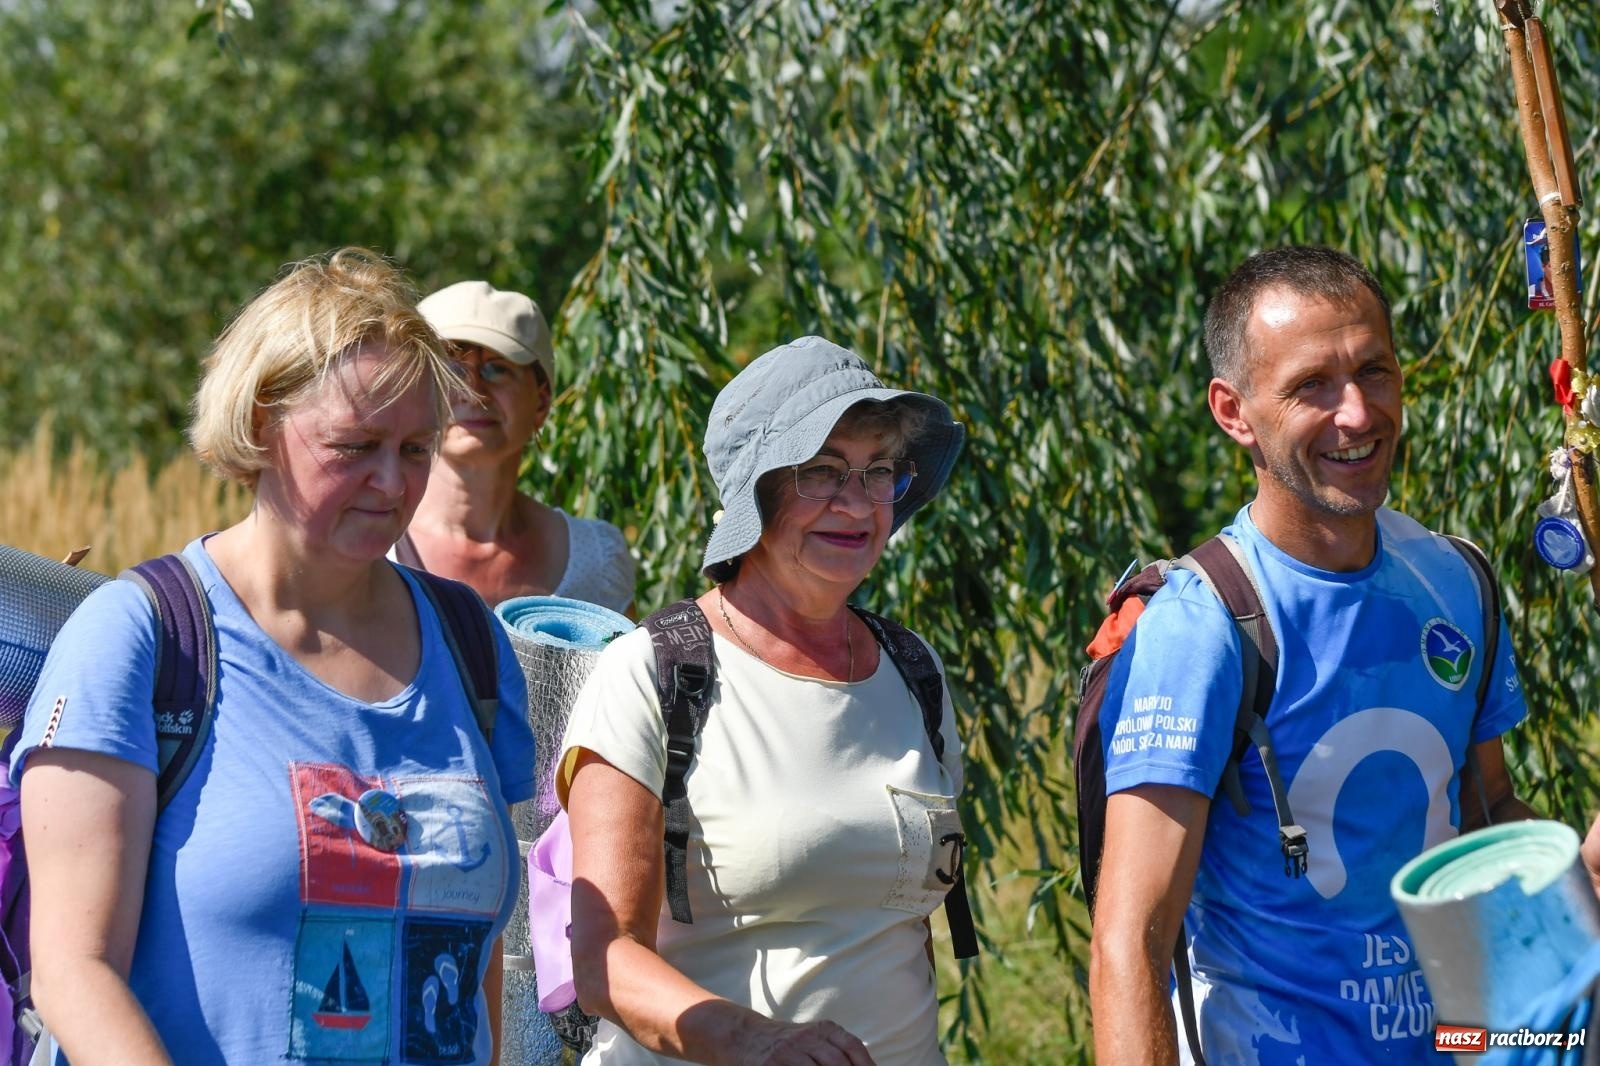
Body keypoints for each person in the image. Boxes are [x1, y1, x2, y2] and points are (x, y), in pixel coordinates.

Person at [10, 249, 536, 1065]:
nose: (392, 483)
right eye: (356, 445)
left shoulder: (470, 643)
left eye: (415, 448)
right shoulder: (144, 639)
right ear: (262, 424)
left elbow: (475, 958)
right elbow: (74, 972)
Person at [1088, 245, 1600, 1064]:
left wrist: (1573, 879)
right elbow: (1131, 937)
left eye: (1375, 371)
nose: (1358, 414)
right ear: (1234, 411)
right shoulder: (1204, 624)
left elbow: (1487, 811)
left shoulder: (1455, 581)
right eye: (1311, 387)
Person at [556, 336, 966, 1064]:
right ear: (757, 491)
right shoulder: (651, 672)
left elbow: (898, 929)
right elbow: (603, 961)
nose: (858, 502)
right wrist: (754, 1040)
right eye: (822, 471)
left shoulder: (913, 669)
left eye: (878, 472)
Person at [393, 280, 634, 615]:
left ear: (541, 401)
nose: (473, 390)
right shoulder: (371, 543)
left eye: (497, 369)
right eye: (451, 369)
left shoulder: (595, 560)